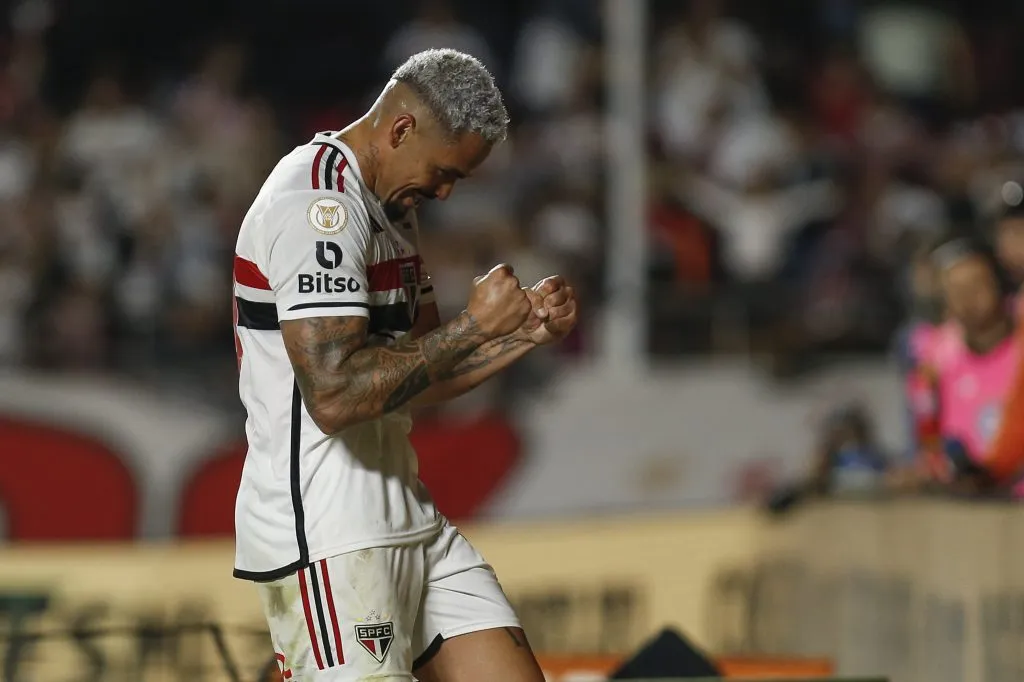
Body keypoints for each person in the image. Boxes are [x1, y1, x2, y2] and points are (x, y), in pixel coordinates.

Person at [231, 49, 576, 682]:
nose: (444, 192)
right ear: (400, 130)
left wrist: (521, 334)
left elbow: (413, 375)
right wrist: (472, 327)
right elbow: (335, 397)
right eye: (444, 172)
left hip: (407, 517)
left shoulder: (391, 209)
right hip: (329, 535)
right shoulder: (317, 208)